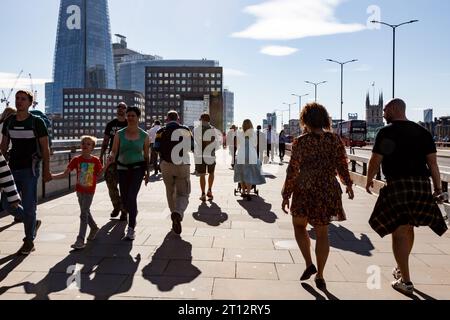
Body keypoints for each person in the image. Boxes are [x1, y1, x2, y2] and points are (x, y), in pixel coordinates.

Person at [366, 98, 448, 296]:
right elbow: (433, 164)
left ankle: (406, 281)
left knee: (399, 230)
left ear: (394, 109)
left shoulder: (387, 132)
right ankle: (402, 269)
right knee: (409, 227)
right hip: (421, 185)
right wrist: (437, 188)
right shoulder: (423, 132)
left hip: (399, 184)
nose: (383, 113)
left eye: (385, 110)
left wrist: (369, 180)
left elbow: (376, 160)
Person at [281, 102, 354, 290]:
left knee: (299, 225)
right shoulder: (335, 140)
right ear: (324, 119)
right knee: (322, 233)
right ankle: (320, 275)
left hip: (305, 189)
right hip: (327, 189)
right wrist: (348, 184)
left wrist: (286, 193)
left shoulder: (301, 142)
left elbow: (293, 170)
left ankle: (308, 263)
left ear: (305, 120)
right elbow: (342, 165)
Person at [1, 90, 52, 255]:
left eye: (23, 99)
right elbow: (3, 146)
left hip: (30, 169)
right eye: (17, 99)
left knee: (29, 206)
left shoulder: (36, 122)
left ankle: (29, 241)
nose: (19, 101)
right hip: (11, 169)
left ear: (30, 103)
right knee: (7, 205)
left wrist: (46, 171)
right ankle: (32, 222)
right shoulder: (9, 122)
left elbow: (45, 148)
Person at [51, 136, 103, 250]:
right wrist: (52, 177)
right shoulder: (76, 160)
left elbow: (100, 174)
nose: (85, 145)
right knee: (85, 211)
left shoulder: (95, 160)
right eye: (83, 143)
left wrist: (108, 164)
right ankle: (94, 228)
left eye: (88, 144)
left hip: (90, 191)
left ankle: (80, 240)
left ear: (93, 147)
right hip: (79, 191)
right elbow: (65, 174)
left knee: (83, 214)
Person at [108, 106, 150, 241]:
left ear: (138, 118)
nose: (130, 118)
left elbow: (146, 156)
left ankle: (131, 228)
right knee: (125, 199)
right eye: (129, 115)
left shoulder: (144, 135)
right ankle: (133, 211)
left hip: (138, 169)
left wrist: (147, 173)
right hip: (122, 168)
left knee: (132, 196)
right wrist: (111, 156)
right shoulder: (119, 134)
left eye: (133, 116)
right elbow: (114, 150)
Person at [154, 111, 194, 235]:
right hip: (182, 164)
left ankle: (173, 214)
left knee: (170, 191)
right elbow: (192, 146)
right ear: (178, 119)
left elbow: (156, 147)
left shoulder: (160, 131)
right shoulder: (186, 129)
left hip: (166, 165)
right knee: (183, 193)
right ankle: (178, 212)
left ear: (167, 119)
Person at [100, 102, 128, 220]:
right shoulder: (111, 124)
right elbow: (106, 141)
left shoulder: (129, 123)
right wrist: (101, 155)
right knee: (110, 183)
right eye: (119, 107)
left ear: (126, 110)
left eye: (123, 108)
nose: (120, 109)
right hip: (112, 158)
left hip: (127, 159)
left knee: (125, 185)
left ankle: (124, 211)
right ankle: (117, 206)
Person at [234, 120, 266, 201]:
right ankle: (248, 193)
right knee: (250, 173)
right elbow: (255, 144)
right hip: (251, 154)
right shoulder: (254, 133)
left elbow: (237, 144)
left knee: (241, 173)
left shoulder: (239, 133)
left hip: (241, 154)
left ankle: (243, 192)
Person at [194, 113, 221, 202]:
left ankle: (203, 194)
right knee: (211, 173)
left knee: (202, 174)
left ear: (201, 119)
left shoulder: (197, 129)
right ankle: (209, 190)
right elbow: (217, 144)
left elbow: (196, 143)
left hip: (200, 155)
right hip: (211, 154)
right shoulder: (213, 129)